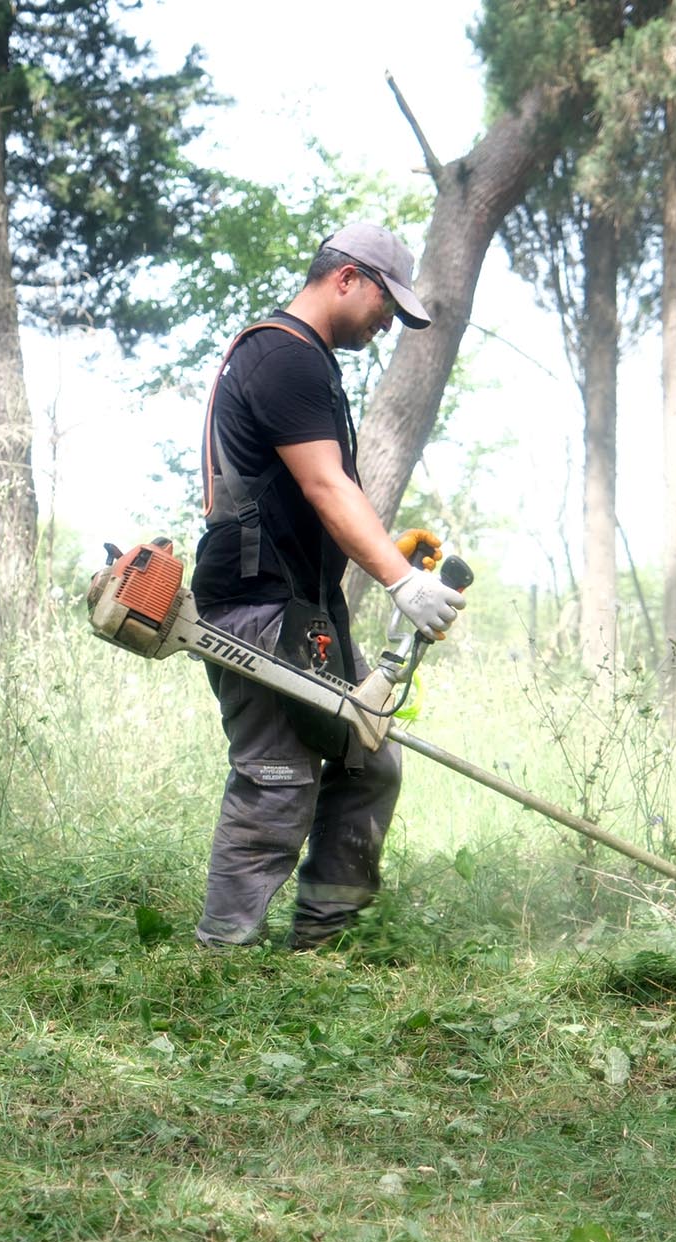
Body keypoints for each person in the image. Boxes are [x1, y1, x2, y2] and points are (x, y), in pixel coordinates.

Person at [191, 223, 464, 948]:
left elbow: (319, 492)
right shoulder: (284, 356)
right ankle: (221, 955)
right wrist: (401, 579)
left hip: (300, 609)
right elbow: (322, 485)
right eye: (385, 304)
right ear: (346, 278)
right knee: (277, 781)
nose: (387, 322)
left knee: (367, 758)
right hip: (258, 607)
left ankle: (322, 939)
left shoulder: (302, 360)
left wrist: (385, 547)